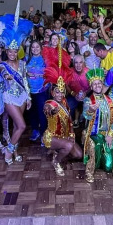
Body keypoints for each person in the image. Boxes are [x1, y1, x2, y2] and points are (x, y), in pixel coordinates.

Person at [0, 10, 33, 164]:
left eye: (14, 51)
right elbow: (4, 74)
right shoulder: (3, 64)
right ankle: (9, 151)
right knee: (22, 126)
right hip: (10, 96)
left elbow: (24, 80)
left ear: (17, 51)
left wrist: (29, 97)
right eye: (10, 51)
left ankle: (15, 151)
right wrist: (8, 76)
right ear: (7, 52)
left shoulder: (23, 64)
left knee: (17, 126)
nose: (12, 53)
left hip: (22, 96)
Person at [42, 45, 83, 176]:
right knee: (69, 146)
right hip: (51, 138)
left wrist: (71, 135)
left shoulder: (65, 101)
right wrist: (51, 111)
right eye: (57, 92)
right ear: (52, 93)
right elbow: (48, 111)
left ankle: (59, 150)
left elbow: (69, 120)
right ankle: (56, 161)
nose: (60, 94)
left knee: (78, 155)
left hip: (65, 136)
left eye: (62, 91)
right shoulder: (49, 104)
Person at [82, 68, 113, 183]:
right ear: (91, 87)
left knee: (109, 167)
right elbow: (86, 114)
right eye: (94, 84)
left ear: (102, 85)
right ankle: (89, 171)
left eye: (99, 83)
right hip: (93, 134)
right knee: (95, 148)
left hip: (107, 134)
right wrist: (91, 110)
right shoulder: (88, 100)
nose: (97, 86)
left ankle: (102, 159)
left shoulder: (111, 100)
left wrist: (110, 134)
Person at [25, 41, 48, 142]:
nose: (35, 49)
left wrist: (39, 75)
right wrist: (27, 73)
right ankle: (35, 130)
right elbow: (22, 72)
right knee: (32, 112)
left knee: (42, 112)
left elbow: (50, 73)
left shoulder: (45, 59)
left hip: (41, 90)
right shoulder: (26, 59)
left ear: (41, 48)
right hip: (29, 90)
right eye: (33, 47)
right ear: (30, 49)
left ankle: (43, 134)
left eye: (37, 47)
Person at [66, 54, 89, 128]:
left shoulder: (88, 72)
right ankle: (70, 124)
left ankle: (87, 127)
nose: (78, 65)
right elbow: (66, 85)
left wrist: (86, 93)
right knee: (67, 106)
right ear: (73, 64)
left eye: (80, 62)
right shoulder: (69, 72)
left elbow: (92, 86)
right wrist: (73, 94)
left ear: (83, 63)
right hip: (73, 95)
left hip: (86, 95)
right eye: (76, 62)